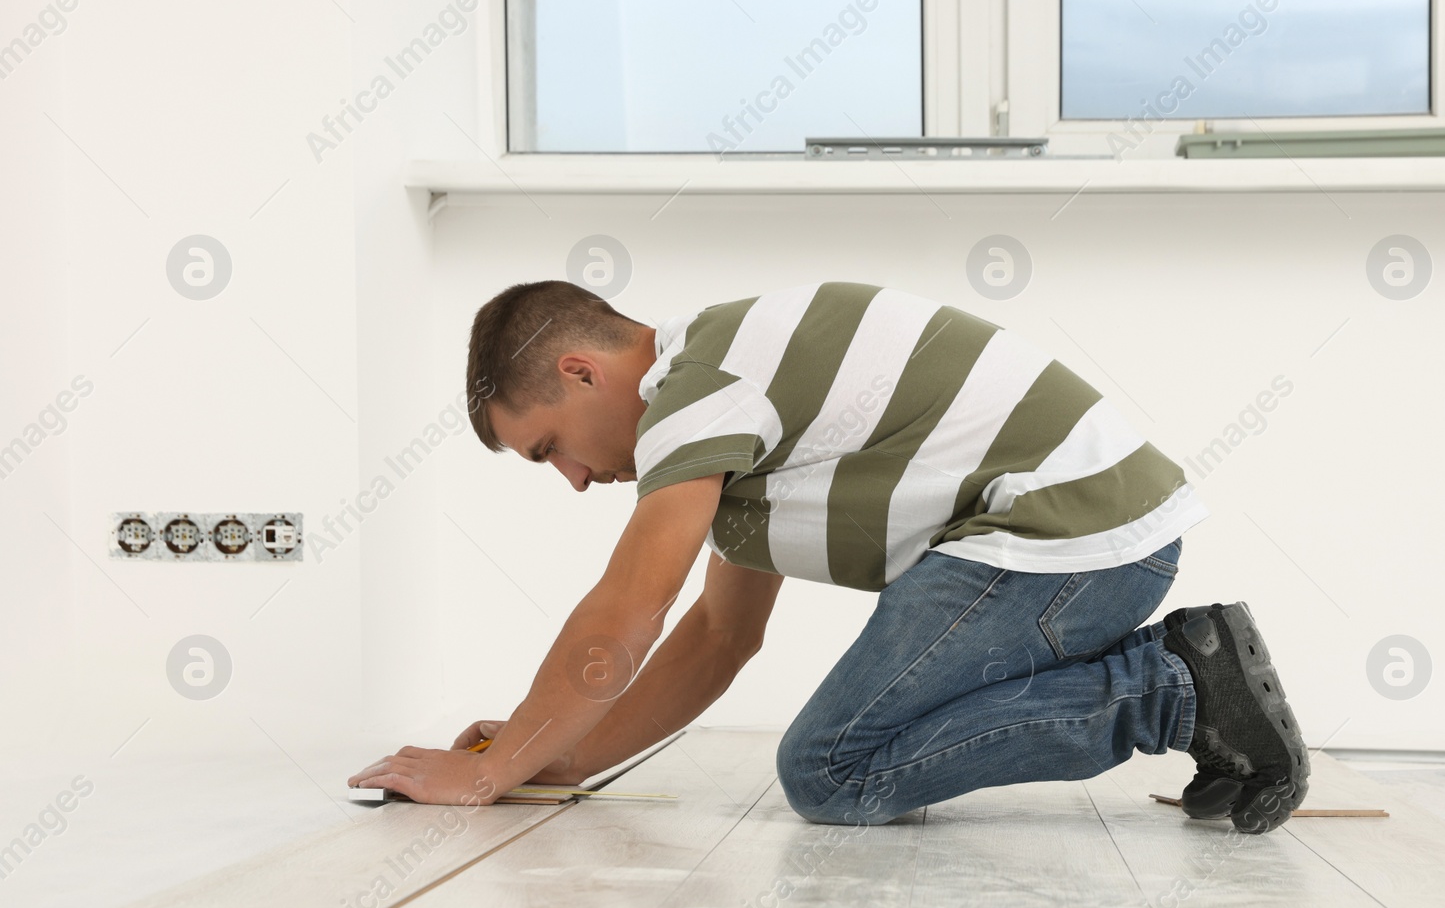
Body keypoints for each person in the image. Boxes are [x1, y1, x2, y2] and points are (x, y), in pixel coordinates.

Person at [348, 280, 1310, 833]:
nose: (568, 476)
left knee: (833, 772)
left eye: (548, 445)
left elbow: (626, 609)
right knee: (843, 762)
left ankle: (1176, 688)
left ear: (582, 371)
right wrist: (549, 762)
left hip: (1068, 542)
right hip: (1060, 547)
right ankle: (1185, 682)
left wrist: (491, 766)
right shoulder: (732, 420)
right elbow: (718, 639)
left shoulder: (702, 386)